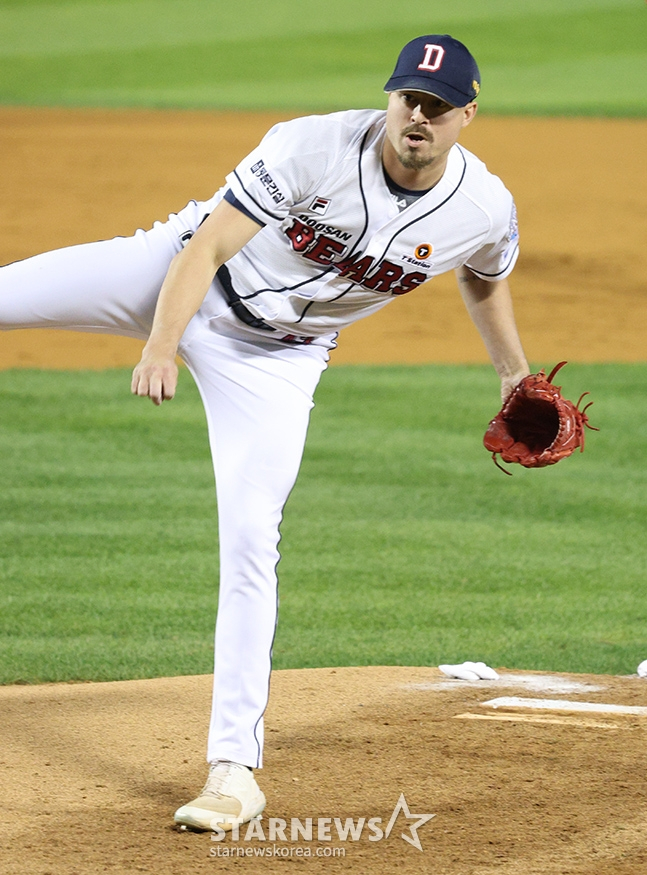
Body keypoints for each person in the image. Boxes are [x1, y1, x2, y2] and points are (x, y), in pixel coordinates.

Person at [0, 34, 529, 831]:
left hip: (278, 360)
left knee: (252, 538)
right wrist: (161, 344)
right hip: (174, 276)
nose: (418, 116)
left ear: (467, 115)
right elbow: (210, 243)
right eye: (407, 99)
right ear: (389, 98)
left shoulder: (482, 207)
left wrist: (512, 374)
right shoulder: (311, 146)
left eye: (437, 105)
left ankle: (232, 772)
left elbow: (484, 277)